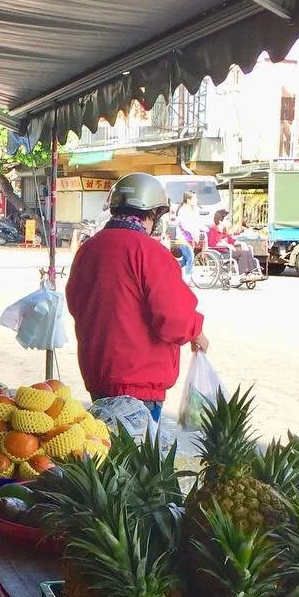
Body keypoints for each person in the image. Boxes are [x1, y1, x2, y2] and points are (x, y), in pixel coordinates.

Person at [64, 173, 208, 416]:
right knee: (136, 453)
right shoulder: (152, 253)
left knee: (107, 450)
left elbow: (75, 302)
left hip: (97, 375)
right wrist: (196, 331)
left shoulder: (88, 249)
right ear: (153, 214)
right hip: (139, 384)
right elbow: (175, 320)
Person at [207, 208, 260, 278]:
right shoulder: (213, 229)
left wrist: (241, 243)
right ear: (220, 219)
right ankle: (244, 274)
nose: (228, 221)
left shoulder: (223, 229)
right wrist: (227, 245)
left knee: (247, 249)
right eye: (226, 219)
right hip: (222, 253)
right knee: (243, 252)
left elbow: (231, 240)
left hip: (228, 250)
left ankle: (251, 272)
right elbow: (212, 244)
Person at [172, 191, 203, 278]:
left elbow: (198, 222)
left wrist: (203, 229)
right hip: (182, 238)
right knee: (190, 257)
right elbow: (186, 226)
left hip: (190, 239)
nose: (196, 200)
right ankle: (187, 279)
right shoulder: (183, 211)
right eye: (194, 199)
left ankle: (171, 269)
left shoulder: (195, 209)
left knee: (185, 260)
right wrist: (194, 233)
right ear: (188, 200)